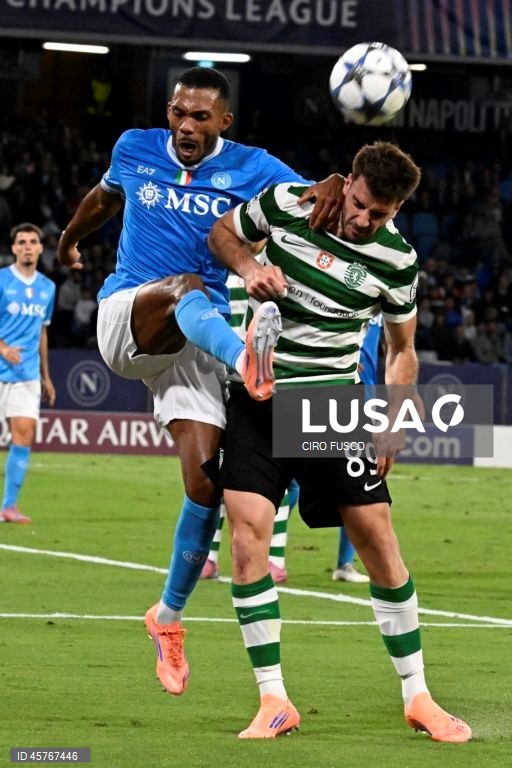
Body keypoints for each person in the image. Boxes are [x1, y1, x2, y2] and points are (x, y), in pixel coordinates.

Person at [57, 67, 344, 696]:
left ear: (223, 122)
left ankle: (167, 616)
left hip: (193, 341)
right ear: (168, 111)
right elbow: (106, 198)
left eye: (200, 117)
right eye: (179, 114)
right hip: (131, 312)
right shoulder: (134, 148)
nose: (187, 126)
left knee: (206, 484)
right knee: (188, 283)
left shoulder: (253, 165)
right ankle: (248, 357)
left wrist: (333, 181)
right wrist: (69, 239)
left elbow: (311, 196)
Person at [207, 141, 471, 743]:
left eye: (377, 214)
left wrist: (394, 419)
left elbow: (401, 349)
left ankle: (418, 695)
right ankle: (273, 700)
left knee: (377, 537)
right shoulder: (290, 203)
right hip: (259, 394)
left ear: (396, 209)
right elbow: (224, 232)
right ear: (347, 182)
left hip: (329, 407)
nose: (360, 220)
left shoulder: (396, 261)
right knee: (247, 537)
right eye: (357, 204)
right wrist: (250, 269)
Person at [0, 223, 56, 523]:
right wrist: (3, 347)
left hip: (28, 375)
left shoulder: (48, 288)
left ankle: (8, 506)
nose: (27, 246)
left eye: (32, 242)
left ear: (39, 248)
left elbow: (42, 334)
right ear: (13, 248)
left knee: (23, 437)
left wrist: (46, 375)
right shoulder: (1, 280)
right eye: (21, 241)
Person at [332, 314, 383, 584]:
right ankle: (272, 556)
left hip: (366, 398)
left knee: (357, 483)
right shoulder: (347, 291)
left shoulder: (384, 299)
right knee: (291, 482)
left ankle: (345, 563)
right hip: (333, 390)